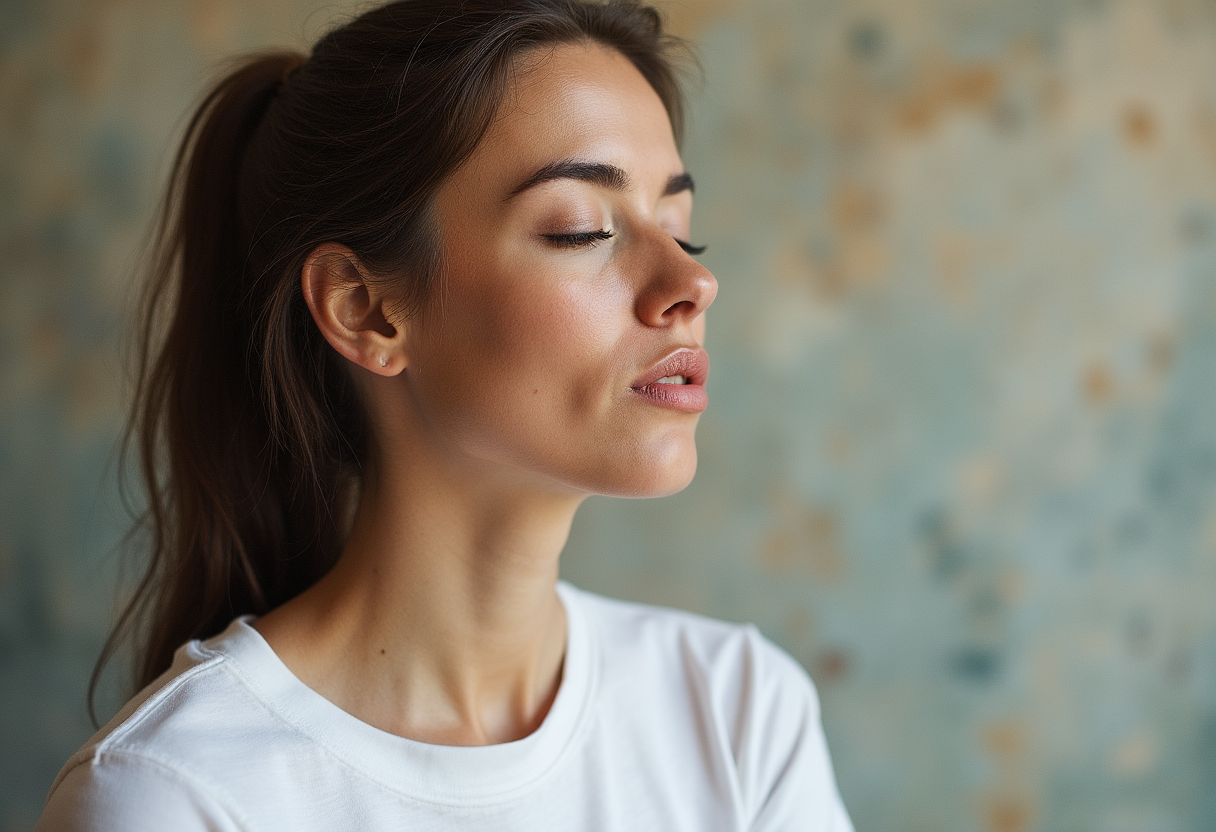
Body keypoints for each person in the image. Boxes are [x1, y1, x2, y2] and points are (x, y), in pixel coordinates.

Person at [36, 1, 853, 828]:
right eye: (582, 230)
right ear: (365, 311)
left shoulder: (736, 711)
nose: (692, 282)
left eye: (679, 228)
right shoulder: (174, 796)